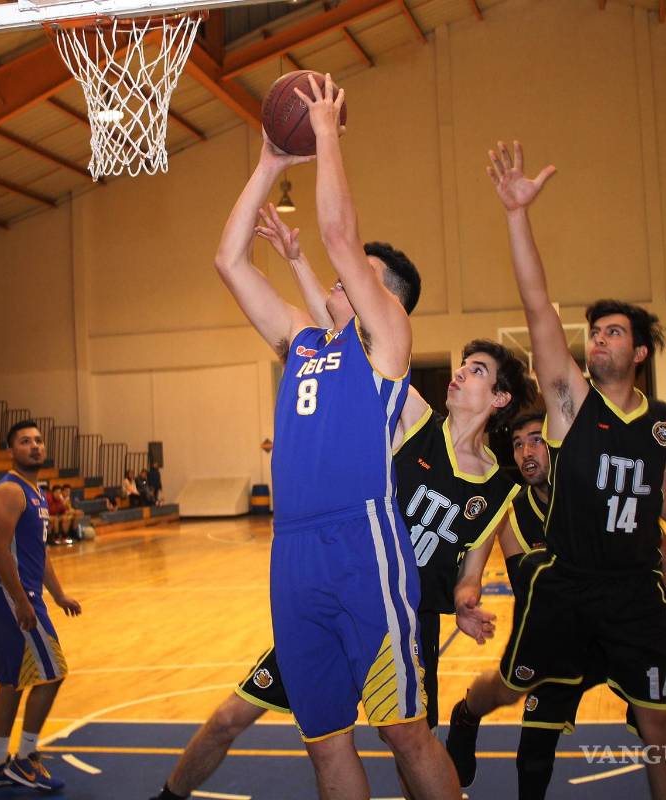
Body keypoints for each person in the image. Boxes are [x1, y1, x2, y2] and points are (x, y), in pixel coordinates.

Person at [443, 141, 666, 799]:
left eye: (611, 332)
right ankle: (467, 712)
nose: (597, 338)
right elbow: (537, 304)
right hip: (566, 586)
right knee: (509, 687)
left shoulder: (663, 423)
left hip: (635, 593)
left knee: (661, 724)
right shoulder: (570, 404)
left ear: (637, 353)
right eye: (595, 331)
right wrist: (517, 215)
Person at [153, 202, 533, 799]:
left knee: (409, 745)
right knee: (292, 730)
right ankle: (172, 791)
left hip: (399, 603)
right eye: (462, 365)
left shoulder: (497, 488)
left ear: (501, 397)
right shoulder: (416, 419)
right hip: (337, 575)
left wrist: (465, 600)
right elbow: (349, 337)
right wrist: (300, 263)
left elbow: (472, 568)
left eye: (477, 370)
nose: (461, 373)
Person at [214, 73, 457, 799]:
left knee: (405, 732)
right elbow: (229, 262)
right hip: (291, 553)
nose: (342, 279)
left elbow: (339, 237)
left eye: (361, 278)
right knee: (325, 743)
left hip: (362, 544)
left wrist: (323, 132)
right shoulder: (303, 339)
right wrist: (269, 162)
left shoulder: (386, 344)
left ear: (389, 300)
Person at [499, 414, 666, 799]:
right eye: (517, 444)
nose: (526, 452)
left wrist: (656, 632)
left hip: (621, 635)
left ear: (558, 444)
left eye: (536, 440)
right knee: (533, 750)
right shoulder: (513, 515)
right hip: (565, 646)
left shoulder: (605, 492)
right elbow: (528, 595)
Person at [0, 420, 81, 791]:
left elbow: (39, 552)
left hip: (19, 595)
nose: (35, 446)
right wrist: (22, 601)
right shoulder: (9, 491)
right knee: (53, 673)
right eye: (25, 441)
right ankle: (25, 757)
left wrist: (58, 594)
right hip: (13, 595)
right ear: (11, 450)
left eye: (38, 440)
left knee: (12, 681)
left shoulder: (34, 491)